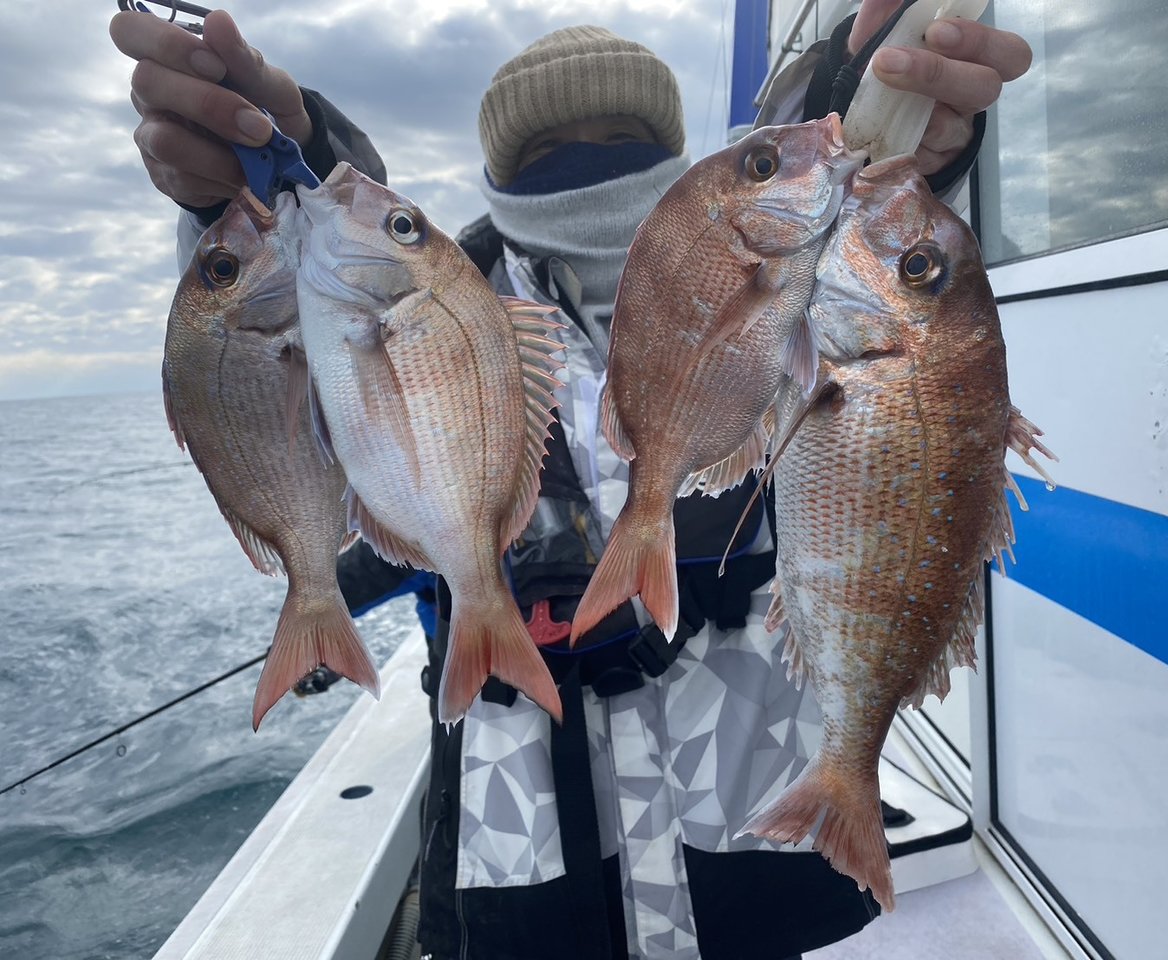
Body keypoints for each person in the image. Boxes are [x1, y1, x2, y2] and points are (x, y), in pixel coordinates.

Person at [111, 4, 1031, 958]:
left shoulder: (796, 271)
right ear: (503, 167)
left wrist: (874, 120)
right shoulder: (444, 297)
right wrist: (277, 176)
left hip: (749, 804)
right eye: (549, 147)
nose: (588, 161)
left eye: (621, 135)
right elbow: (281, 365)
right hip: (527, 830)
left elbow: (905, 347)